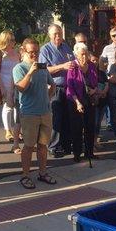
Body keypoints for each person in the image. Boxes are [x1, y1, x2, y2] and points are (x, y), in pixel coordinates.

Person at [13, 38, 56, 190]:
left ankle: (42, 172)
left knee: (43, 145)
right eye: (31, 52)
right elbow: (20, 88)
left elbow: (53, 85)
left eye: (36, 52)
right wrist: (30, 72)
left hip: (45, 112)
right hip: (29, 113)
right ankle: (25, 175)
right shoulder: (19, 68)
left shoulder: (43, 67)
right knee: (29, 146)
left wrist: (47, 98)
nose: (34, 55)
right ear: (23, 52)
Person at [39, 24, 74, 158]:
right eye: (55, 34)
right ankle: (53, 146)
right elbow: (43, 69)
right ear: (50, 35)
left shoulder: (66, 47)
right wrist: (62, 66)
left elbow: (73, 62)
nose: (58, 36)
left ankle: (66, 144)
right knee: (56, 118)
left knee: (67, 116)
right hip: (55, 88)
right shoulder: (45, 50)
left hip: (69, 87)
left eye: (59, 33)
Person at [66, 43, 98, 162]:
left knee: (90, 127)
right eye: (82, 54)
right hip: (75, 100)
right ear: (76, 55)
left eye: (86, 54)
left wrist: (94, 90)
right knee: (77, 128)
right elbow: (70, 87)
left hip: (89, 99)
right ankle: (77, 154)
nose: (84, 57)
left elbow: (96, 82)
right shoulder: (73, 67)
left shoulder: (91, 66)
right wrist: (77, 103)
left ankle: (89, 152)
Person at [0, 30, 20, 144]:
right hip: (5, 82)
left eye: (14, 40)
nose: (14, 42)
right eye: (11, 40)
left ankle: (16, 130)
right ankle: (8, 130)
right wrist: (2, 87)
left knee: (17, 106)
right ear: (6, 41)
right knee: (8, 105)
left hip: (17, 81)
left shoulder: (16, 52)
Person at [90, 55, 109, 150]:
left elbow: (106, 83)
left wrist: (104, 92)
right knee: (94, 122)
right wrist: (97, 92)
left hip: (103, 100)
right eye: (92, 60)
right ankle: (91, 143)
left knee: (98, 123)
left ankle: (95, 141)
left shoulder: (101, 73)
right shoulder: (88, 72)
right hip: (93, 101)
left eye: (96, 60)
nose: (95, 62)